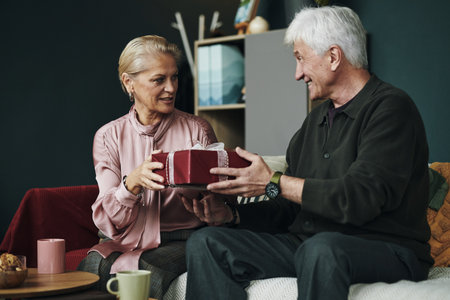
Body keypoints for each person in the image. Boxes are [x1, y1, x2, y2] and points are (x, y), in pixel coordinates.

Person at [181, 6, 433, 300]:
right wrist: (232, 215)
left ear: (334, 56)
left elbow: (361, 198)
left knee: (321, 249)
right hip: (308, 244)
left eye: (300, 59)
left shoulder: (391, 109)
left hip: (386, 248)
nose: (298, 73)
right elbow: (288, 206)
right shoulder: (314, 121)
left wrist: (273, 181)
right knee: (207, 241)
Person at [77, 35, 218, 299]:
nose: (171, 88)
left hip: (183, 238)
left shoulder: (197, 129)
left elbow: (217, 196)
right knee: (91, 266)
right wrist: (131, 184)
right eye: (159, 80)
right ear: (129, 82)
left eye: (174, 77)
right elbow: (108, 219)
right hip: (124, 237)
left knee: (145, 270)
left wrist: (208, 194)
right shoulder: (108, 136)